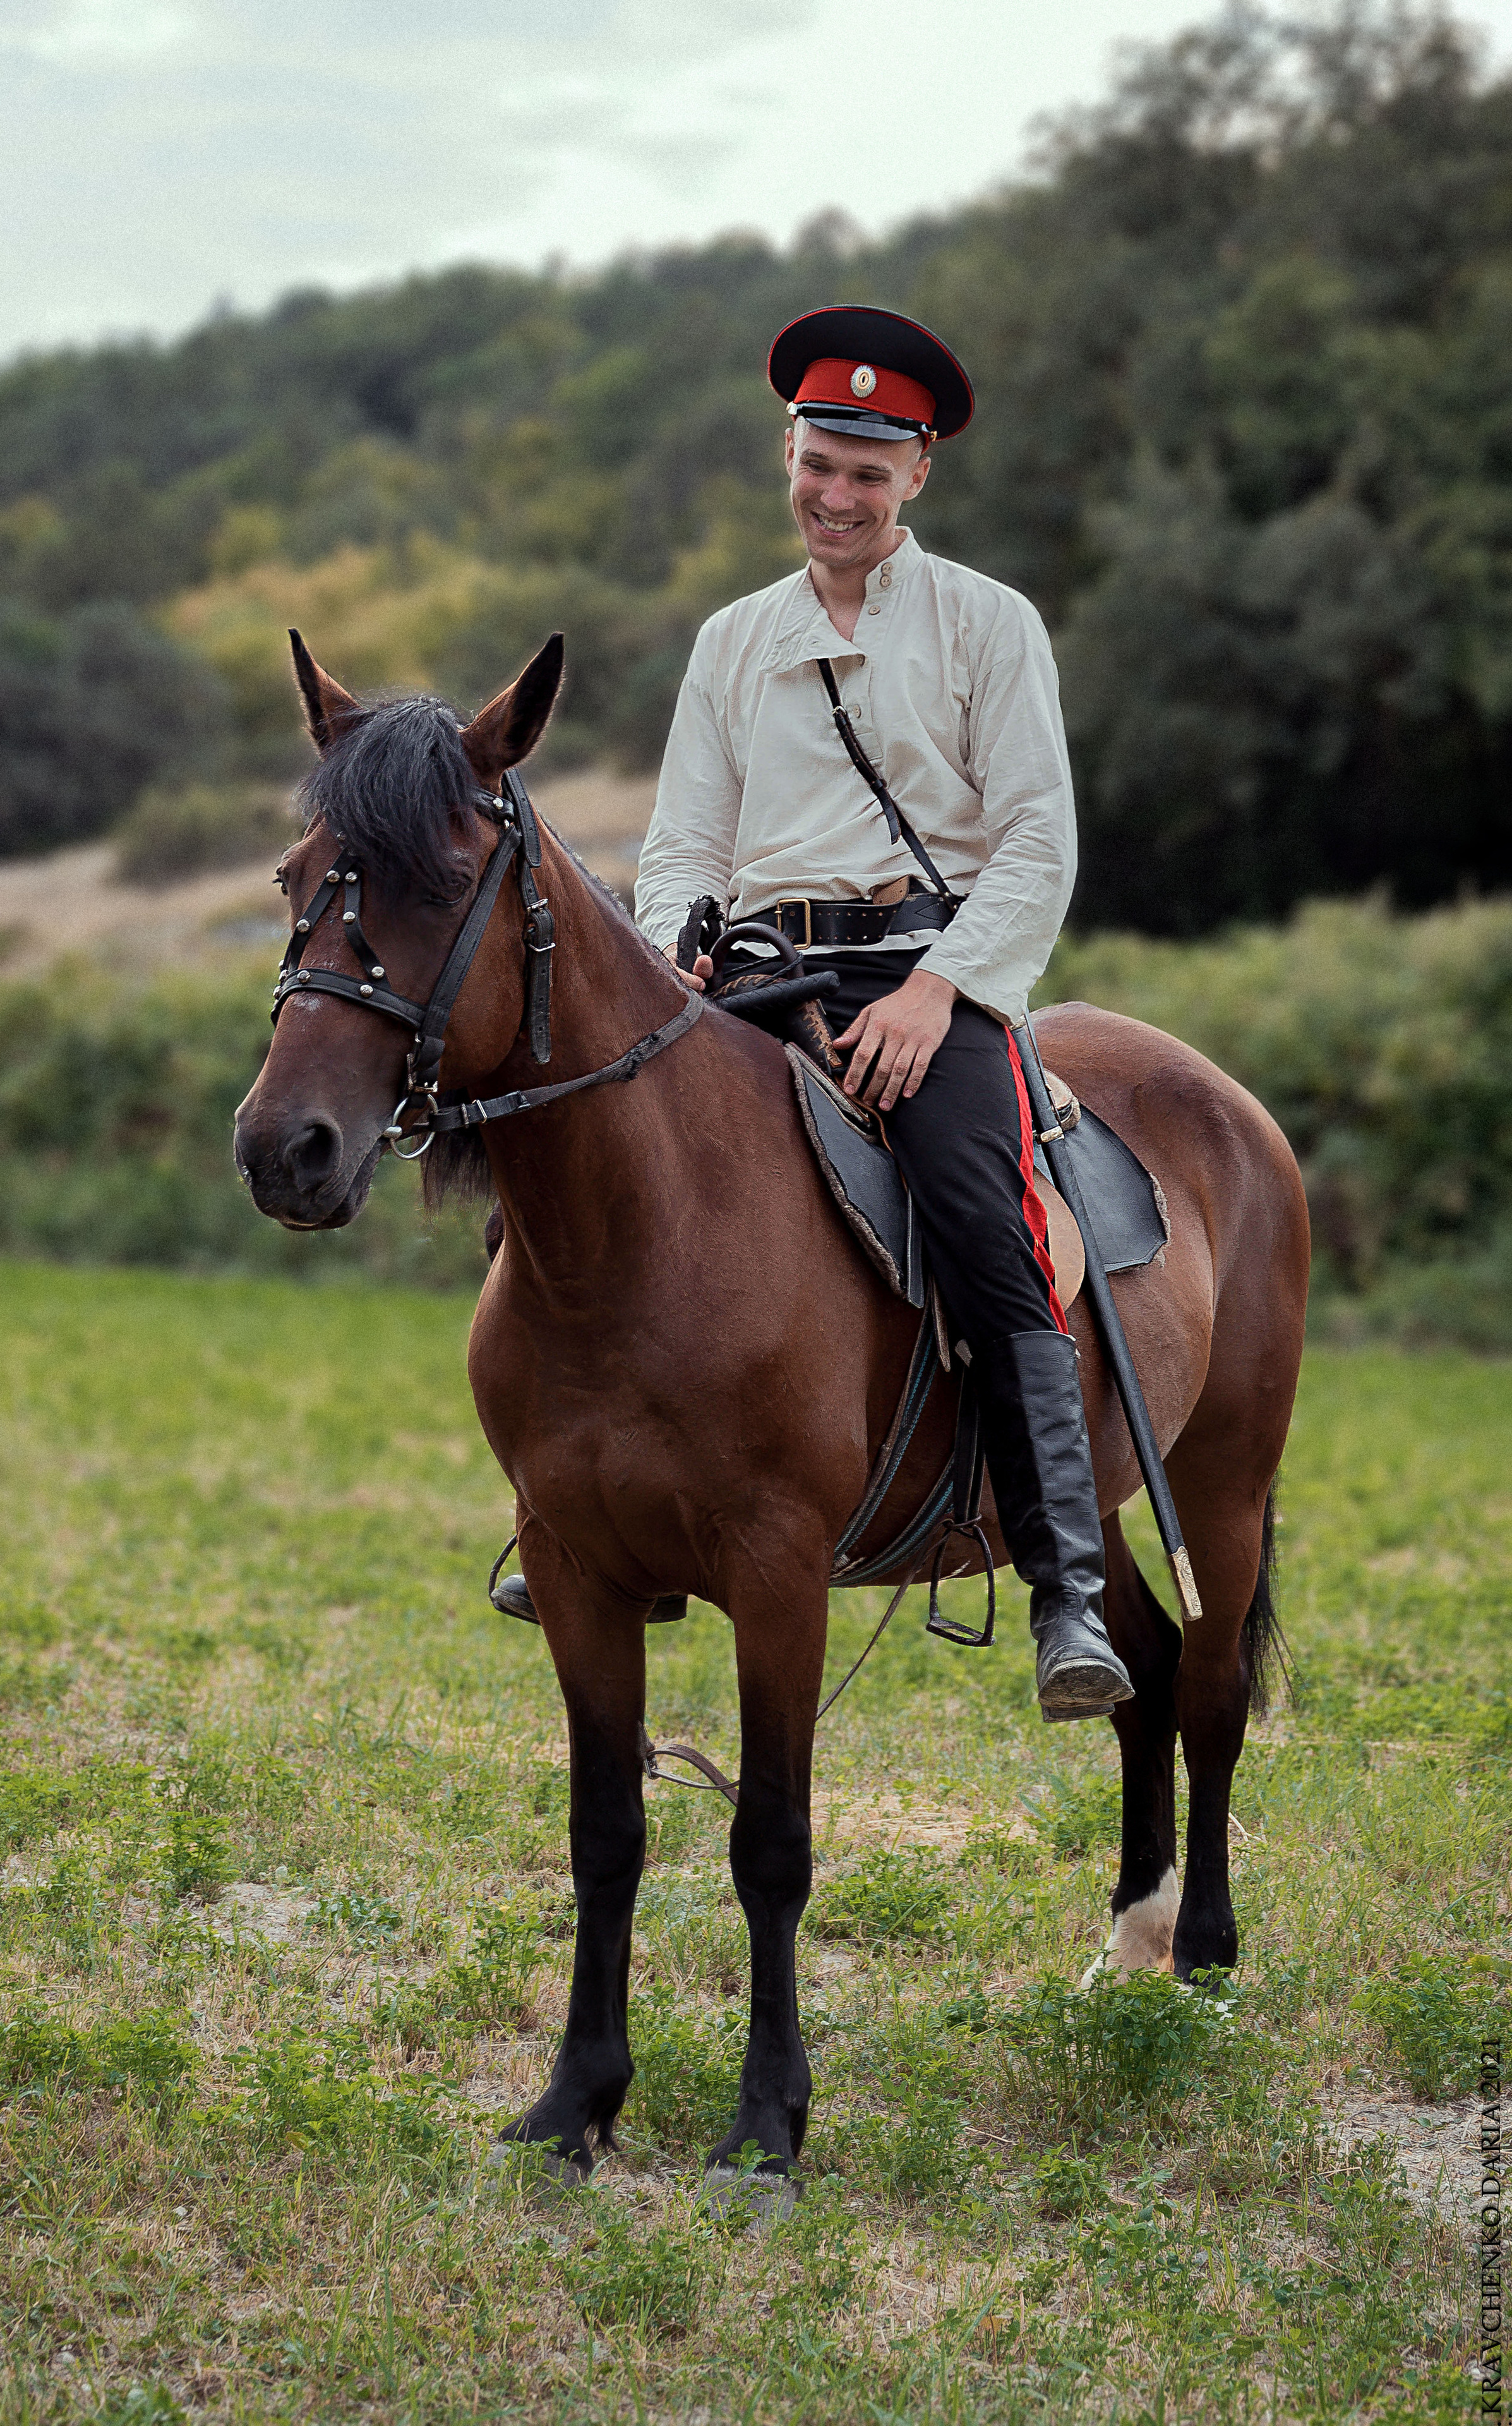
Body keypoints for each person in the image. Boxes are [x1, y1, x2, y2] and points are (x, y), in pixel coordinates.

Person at [632, 304, 1134, 1724]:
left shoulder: (987, 624)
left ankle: (1066, 1591)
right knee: (599, 1161)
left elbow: (1035, 843)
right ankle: (602, 1523)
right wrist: (676, 937)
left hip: (929, 977)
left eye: (867, 470)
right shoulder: (733, 641)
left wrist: (938, 992)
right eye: (816, 462)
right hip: (749, 976)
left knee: (986, 1227)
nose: (835, 495)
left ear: (917, 476)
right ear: (785, 454)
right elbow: (682, 841)